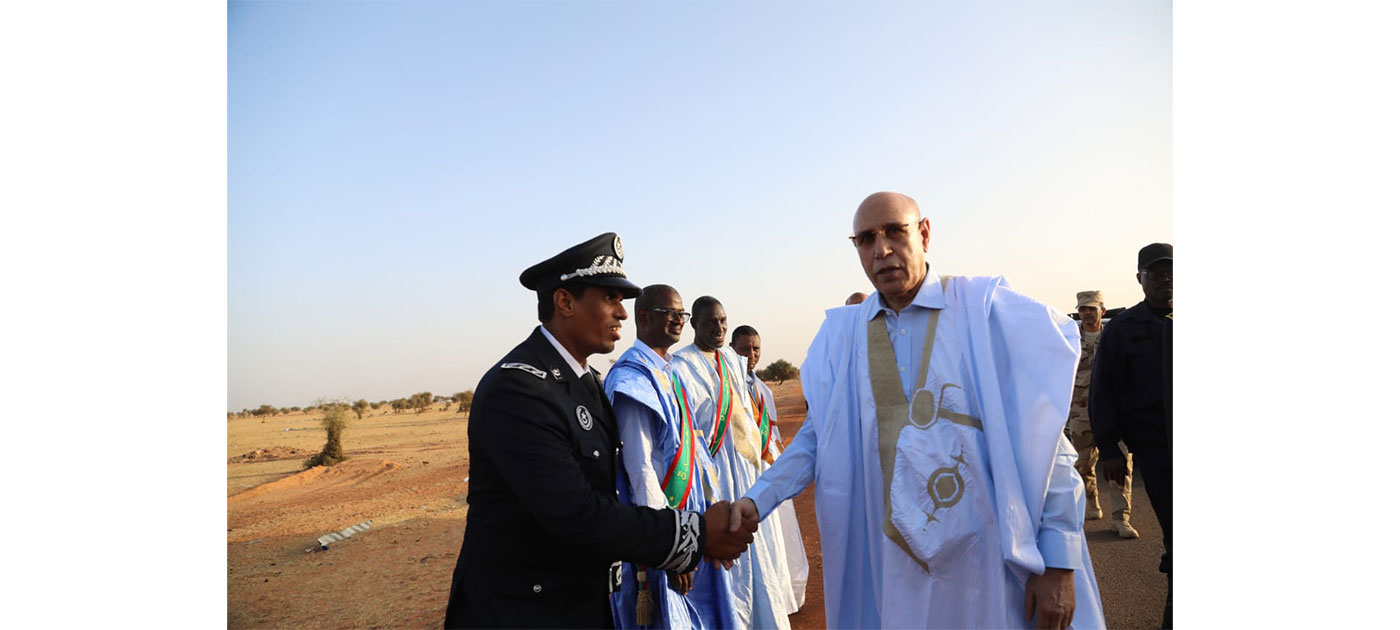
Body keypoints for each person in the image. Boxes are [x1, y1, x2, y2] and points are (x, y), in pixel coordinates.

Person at [731, 192, 1105, 629]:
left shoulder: (984, 314)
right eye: (866, 239)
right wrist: (758, 500)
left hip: (988, 566)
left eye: (894, 231)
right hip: (889, 566)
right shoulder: (842, 337)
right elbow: (817, 438)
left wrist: (1059, 560)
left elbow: (1046, 439)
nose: (881, 249)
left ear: (924, 234)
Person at [443, 233, 756, 630]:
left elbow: (613, 490)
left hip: (579, 600)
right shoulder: (519, 388)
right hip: (522, 609)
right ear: (565, 302)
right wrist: (692, 536)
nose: (623, 313)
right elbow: (577, 513)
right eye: (610, 298)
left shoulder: (588, 381)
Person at [604, 284, 740, 629]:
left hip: (691, 523)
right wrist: (672, 549)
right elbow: (640, 470)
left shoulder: (670, 372)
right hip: (663, 533)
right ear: (643, 316)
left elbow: (695, 451)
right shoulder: (633, 379)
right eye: (670, 313)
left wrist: (711, 514)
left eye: (682, 314)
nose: (679, 320)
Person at [673, 298, 797, 629]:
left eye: (723, 321)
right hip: (712, 478)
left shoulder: (732, 360)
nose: (719, 328)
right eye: (710, 322)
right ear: (694, 324)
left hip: (746, 472)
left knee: (759, 554)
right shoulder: (681, 366)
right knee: (726, 560)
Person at [1090, 243, 1172, 628]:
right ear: (1140, 278)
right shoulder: (1123, 330)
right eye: (1155, 273)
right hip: (1158, 450)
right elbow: (1103, 391)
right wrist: (1109, 448)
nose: (1165, 279)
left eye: (1171, 271)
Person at [729, 325, 809, 611]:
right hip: (744, 471)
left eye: (756, 349)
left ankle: (784, 597)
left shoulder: (763, 388)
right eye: (744, 349)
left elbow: (772, 431)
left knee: (780, 534)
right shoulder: (727, 386)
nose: (751, 355)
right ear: (732, 349)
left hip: (769, 467)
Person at [1065, 291, 1138, 539]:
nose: (1086, 313)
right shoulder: (1070, 339)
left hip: (1114, 411)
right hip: (1080, 410)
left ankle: (1121, 518)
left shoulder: (1114, 338)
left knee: (1120, 463)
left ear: (1102, 311)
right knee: (1083, 463)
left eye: (1091, 309)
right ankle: (1091, 500)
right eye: (1082, 309)